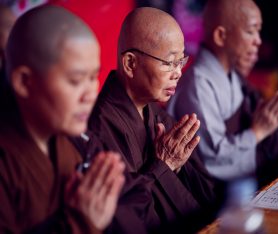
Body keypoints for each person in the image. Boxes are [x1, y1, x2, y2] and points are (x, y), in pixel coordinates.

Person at [76, 7, 217, 233]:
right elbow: (124, 219)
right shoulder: (98, 128)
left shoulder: (156, 113)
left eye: (181, 61)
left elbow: (207, 193)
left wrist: (175, 168)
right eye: (170, 62)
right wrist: (164, 166)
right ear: (131, 64)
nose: (178, 72)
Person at [0, 5, 125, 233]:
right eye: (76, 81)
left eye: (93, 77)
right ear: (25, 82)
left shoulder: (66, 141)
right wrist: (82, 223)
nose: (90, 94)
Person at [167, 0, 278, 187]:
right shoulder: (198, 85)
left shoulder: (232, 75)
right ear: (221, 36)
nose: (258, 40)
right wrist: (256, 133)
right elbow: (214, 160)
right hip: (216, 196)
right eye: (251, 31)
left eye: (258, 32)